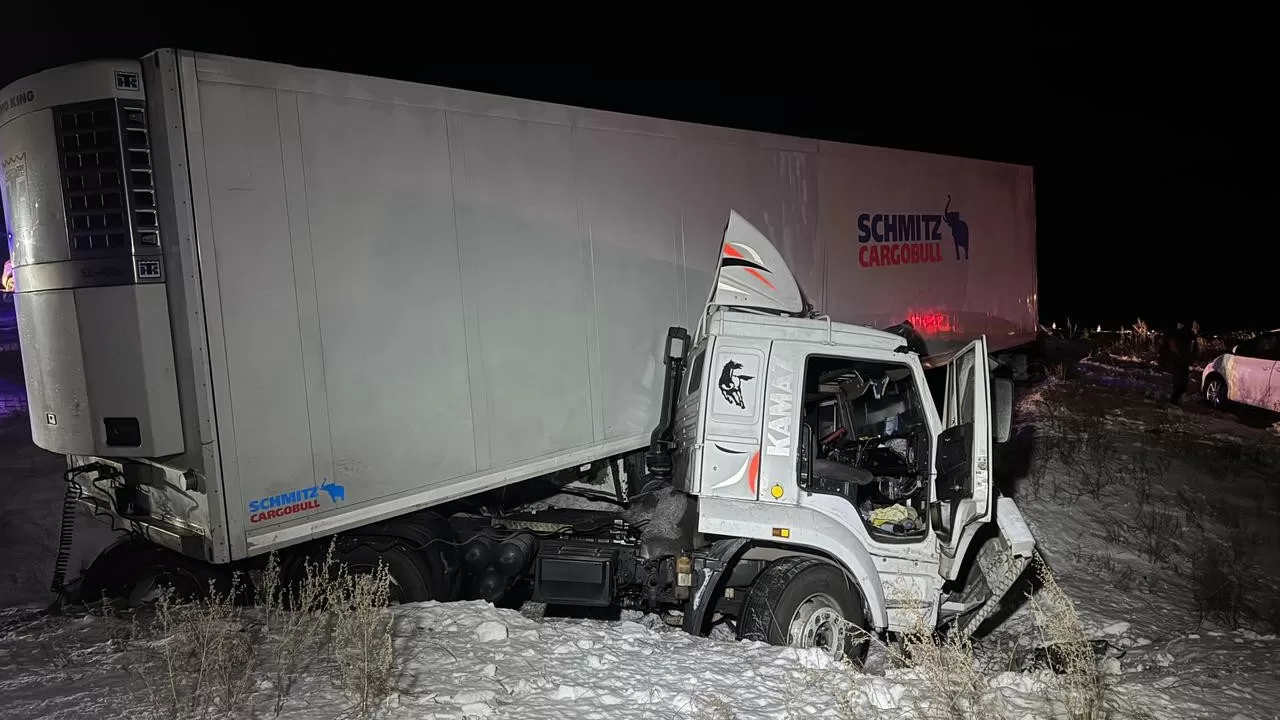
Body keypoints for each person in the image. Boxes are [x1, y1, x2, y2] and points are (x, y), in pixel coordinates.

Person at [1160, 320, 1199, 404]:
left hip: (1181, 361)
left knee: (1180, 381)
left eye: (1180, 324)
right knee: (1180, 381)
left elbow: (1194, 348)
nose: (1179, 325)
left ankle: (1176, 398)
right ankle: (1176, 398)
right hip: (1180, 361)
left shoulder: (1185, 335)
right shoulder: (1177, 334)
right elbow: (1165, 348)